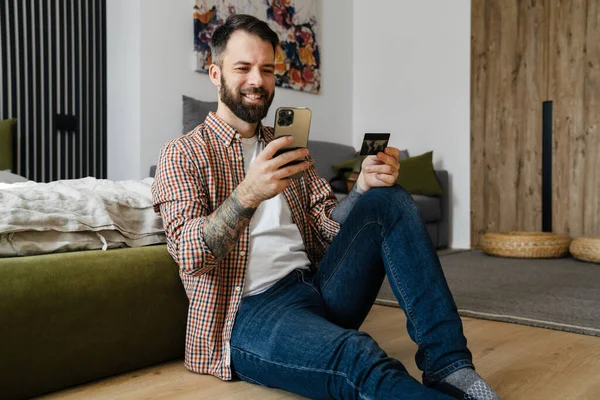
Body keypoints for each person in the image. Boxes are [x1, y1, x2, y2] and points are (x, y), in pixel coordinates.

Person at [152, 14, 500, 400]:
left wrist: (363, 189)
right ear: (216, 74)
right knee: (360, 357)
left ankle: (450, 367)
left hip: (316, 288)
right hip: (248, 313)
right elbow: (189, 254)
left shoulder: (288, 145)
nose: (257, 80)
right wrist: (247, 193)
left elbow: (327, 226)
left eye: (267, 69)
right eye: (243, 68)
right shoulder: (181, 153)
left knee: (388, 199)